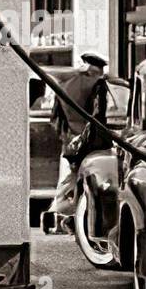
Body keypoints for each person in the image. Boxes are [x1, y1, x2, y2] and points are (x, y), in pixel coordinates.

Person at [46, 53, 110, 227]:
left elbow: (57, 117)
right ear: (96, 70)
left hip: (70, 140)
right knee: (89, 180)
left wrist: (69, 138)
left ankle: (56, 216)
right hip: (90, 141)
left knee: (68, 179)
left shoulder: (65, 84)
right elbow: (99, 115)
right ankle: (69, 217)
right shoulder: (97, 84)